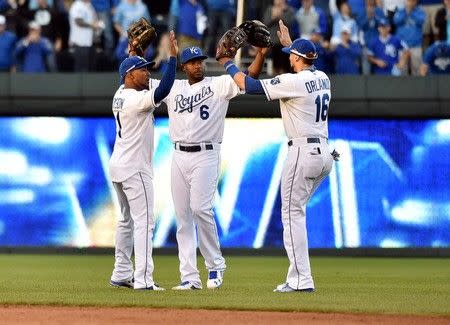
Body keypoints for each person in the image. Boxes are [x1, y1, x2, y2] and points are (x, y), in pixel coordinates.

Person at [217, 20, 335, 292]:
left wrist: (226, 62)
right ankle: (300, 277)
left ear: (297, 58)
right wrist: (290, 45)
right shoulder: (323, 78)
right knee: (297, 212)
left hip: (303, 152)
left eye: (291, 56)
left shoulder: (293, 82)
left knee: (291, 214)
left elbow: (249, 85)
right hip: (324, 154)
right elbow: (304, 62)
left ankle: (300, 280)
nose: (289, 59)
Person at [151, 45, 267, 290]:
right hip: (179, 155)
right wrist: (136, 54)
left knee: (201, 209)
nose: (198, 65)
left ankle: (215, 266)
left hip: (206, 154)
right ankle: (189, 278)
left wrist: (261, 55)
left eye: (200, 61)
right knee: (182, 217)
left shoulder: (218, 84)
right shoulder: (173, 86)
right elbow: (139, 83)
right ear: (183, 67)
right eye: (192, 62)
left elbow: (249, 79)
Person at [108, 31, 178, 291]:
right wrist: (172, 58)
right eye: (142, 70)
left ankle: (121, 272)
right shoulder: (136, 100)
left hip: (119, 166)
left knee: (127, 220)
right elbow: (164, 89)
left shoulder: (121, 91)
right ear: (130, 75)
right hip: (135, 168)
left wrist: (135, 53)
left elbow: (134, 72)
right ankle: (144, 279)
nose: (147, 72)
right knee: (145, 222)